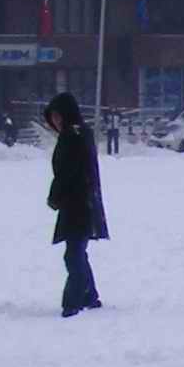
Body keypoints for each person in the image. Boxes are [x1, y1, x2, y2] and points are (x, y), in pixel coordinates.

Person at [43, 92, 110, 317]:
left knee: (73, 253)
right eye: (53, 117)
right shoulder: (79, 134)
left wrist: (55, 196)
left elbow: (68, 173)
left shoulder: (72, 136)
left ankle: (74, 300)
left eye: (58, 116)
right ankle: (89, 295)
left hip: (77, 202)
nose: (55, 121)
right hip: (82, 201)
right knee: (77, 251)